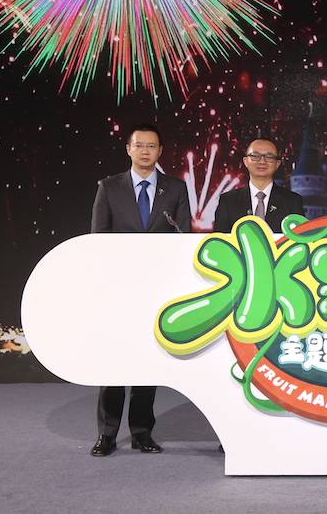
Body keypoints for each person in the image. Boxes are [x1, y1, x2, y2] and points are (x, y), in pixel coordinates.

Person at [89, 123, 191, 457]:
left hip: (157, 289)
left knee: (149, 362)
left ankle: (142, 433)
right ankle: (106, 434)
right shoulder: (109, 187)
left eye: (152, 146)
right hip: (118, 288)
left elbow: (183, 238)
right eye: (139, 145)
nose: (145, 151)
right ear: (128, 149)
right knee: (114, 361)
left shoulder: (175, 189)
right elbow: (99, 238)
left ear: (160, 151)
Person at [213, 138, 304, 234]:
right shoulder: (228, 201)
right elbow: (220, 239)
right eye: (255, 156)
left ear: (277, 164)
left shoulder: (292, 201)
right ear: (245, 161)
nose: (262, 161)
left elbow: (298, 238)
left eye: (269, 157)